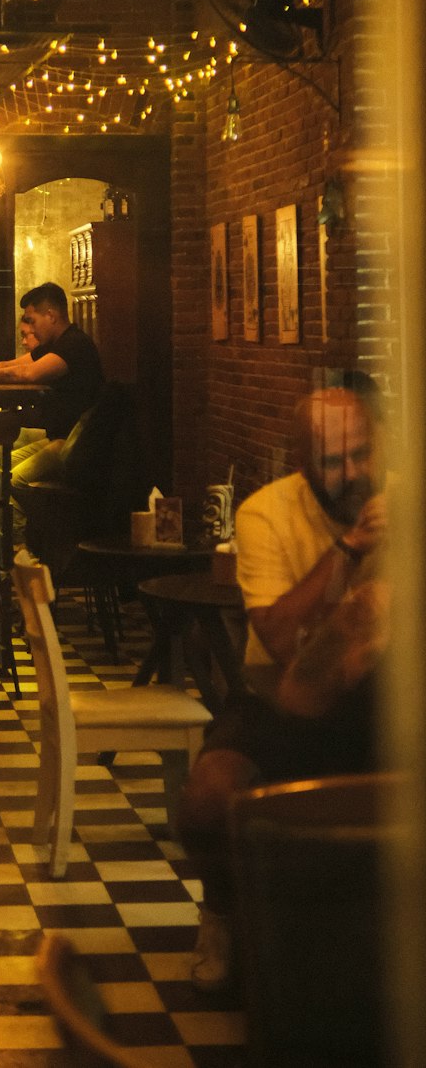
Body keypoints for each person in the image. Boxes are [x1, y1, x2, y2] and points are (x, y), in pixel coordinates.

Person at [177, 373, 389, 992]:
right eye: (331, 461)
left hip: (382, 699)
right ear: (302, 463)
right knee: (207, 798)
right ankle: (219, 912)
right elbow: (278, 642)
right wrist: (348, 549)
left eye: (361, 453)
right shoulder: (264, 513)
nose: (350, 472)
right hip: (276, 701)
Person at [0, 282, 105, 508]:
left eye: (32, 321)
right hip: (57, 437)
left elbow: (27, 374)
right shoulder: (55, 344)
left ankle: (27, 539)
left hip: (74, 442)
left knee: (14, 480)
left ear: (51, 315)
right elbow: (12, 365)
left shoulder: (74, 344)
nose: (31, 329)